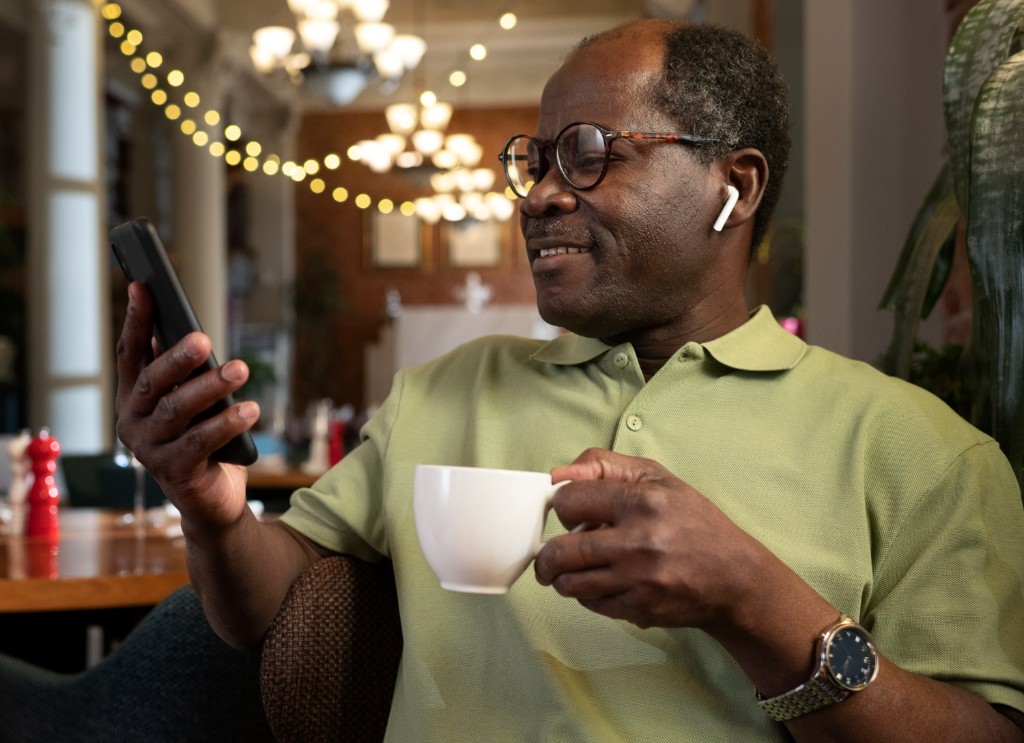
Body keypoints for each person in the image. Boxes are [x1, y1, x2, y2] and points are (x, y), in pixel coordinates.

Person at [114, 19, 1024, 742]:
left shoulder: (920, 450)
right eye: (536, 159)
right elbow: (270, 607)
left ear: (734, 188)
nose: (540, 194)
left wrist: (753, 598)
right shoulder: (443, 389)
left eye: (588, 152)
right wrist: (214, 509)